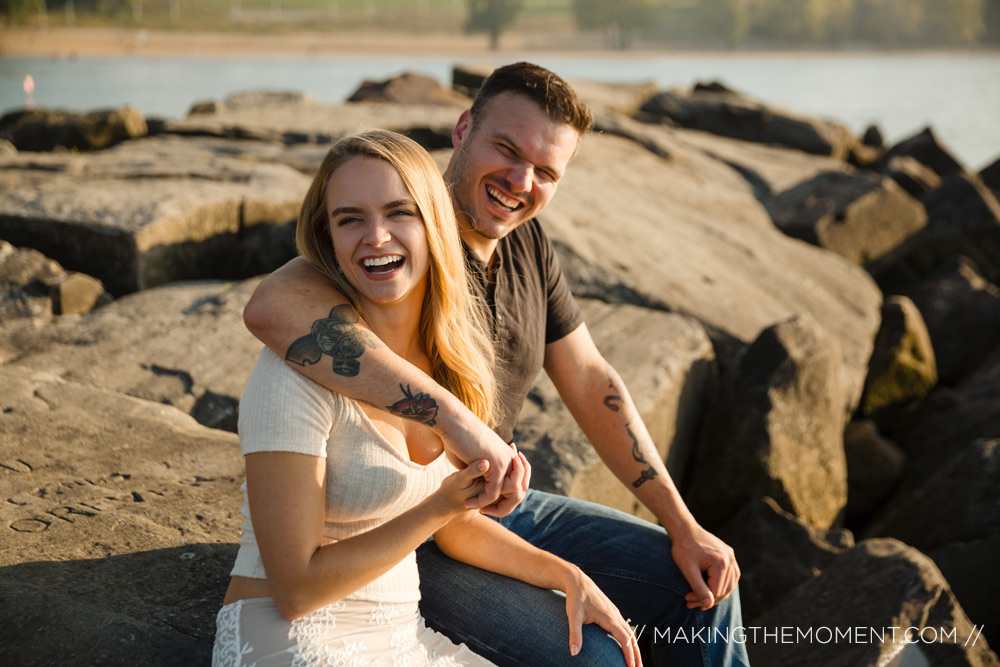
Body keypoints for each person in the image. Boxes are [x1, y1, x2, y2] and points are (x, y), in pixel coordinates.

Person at [243, 63, 751, 666]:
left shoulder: (527, 244)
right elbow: (274, 304)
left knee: (706, 591)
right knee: (596, 656)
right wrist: (456, 419)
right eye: (506, 149)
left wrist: (682, 524)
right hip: (421, 519)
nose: (520, 179)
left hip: (507, 503)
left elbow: (591, 380)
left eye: (545, 172)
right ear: (464, 130)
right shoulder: (400, 229)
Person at [213, 130, 641, 667]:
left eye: (399, 213)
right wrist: (440, 504)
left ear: (434, 224)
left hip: (403, 637)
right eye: (350, 219)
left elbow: (457, 526)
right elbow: (296, 590)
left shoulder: (451, 365)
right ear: (328, 236)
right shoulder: (295, 370)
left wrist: (567, 575)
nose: (375, 236)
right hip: (297, 640)